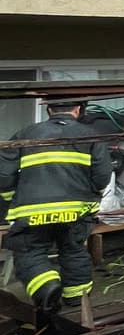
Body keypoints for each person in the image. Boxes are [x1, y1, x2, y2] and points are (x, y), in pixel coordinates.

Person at [0, 100, 111, 314]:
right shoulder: (92, 135)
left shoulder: (25, 133)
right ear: (78, 110)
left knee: (29, 250)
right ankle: (76, 299)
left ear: (49, 110)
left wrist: (11, 198)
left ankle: (46, 287)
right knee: (73, 249)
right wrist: (91, 194)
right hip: (76, 209)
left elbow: (4, 175)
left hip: (31, 210)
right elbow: (102, 176)